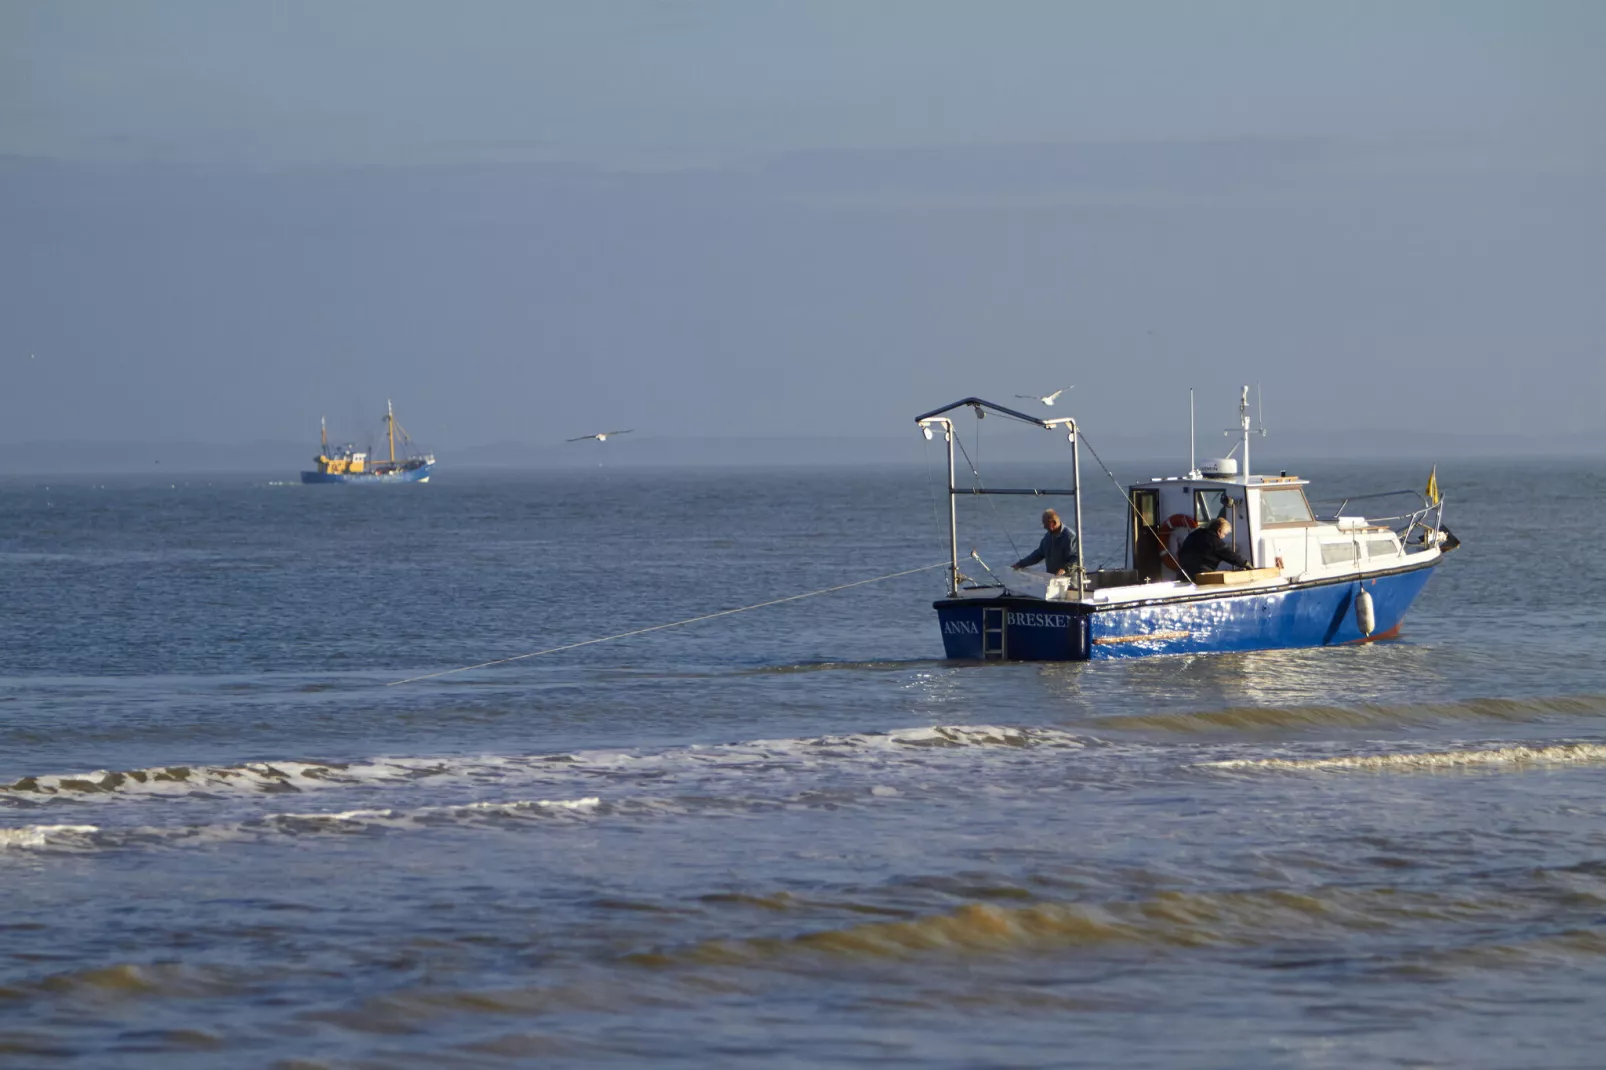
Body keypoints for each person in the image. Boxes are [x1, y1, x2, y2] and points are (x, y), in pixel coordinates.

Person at [1176, 516, 1251, 579]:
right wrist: (1246, 564)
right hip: (1199, 576)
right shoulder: (1214, 541)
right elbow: (1231, 555)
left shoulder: (1195, 534)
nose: (1223, 537)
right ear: (1219, 531)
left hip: (1183, 574)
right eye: (1224, 534)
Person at [1013, 509, 1078, 575]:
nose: (1044, 527)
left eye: (1046, 524)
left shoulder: (1070, 536)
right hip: (1053, 580)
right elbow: (1038, 554)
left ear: (1054, 523)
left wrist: (1065, 569)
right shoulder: (1048, 537)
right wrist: (1020, 564)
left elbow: (1077, 558)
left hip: (1070, 580)